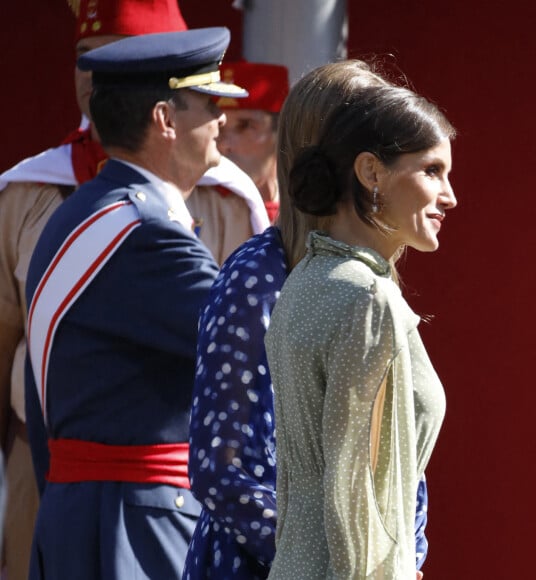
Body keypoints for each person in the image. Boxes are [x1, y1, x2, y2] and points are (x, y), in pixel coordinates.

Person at [183, 60, 434, 580]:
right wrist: (323, 563)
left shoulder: (373, 280)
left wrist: (399, 558)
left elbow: (400, 468)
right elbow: (222, 470)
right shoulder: (257, 276)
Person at [24, 28, 247, 580]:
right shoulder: (145, 232)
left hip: (88, 514)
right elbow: (257, 345)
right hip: (133, 526)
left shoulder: (90, 212)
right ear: (165, 120)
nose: (222, 120)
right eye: (210, 104)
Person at [0, 2, 191, 578]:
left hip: (175, 480)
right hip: (43, 463)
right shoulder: (27, 188)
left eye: (117, 54)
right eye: (85, 57)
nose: (94, 73)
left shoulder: (223, 194)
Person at [264, 60, 457, 579]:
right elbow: (353, 489)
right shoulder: (367, 298)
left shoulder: (306, 278)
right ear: (371, 171)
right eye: (432, 171)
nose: (450, 196)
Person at [215, 61, 289, 223]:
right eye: (218, 126)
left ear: (280, 132)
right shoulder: (194, 208)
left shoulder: (307, 210)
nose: (223, 145)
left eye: (244, 126)